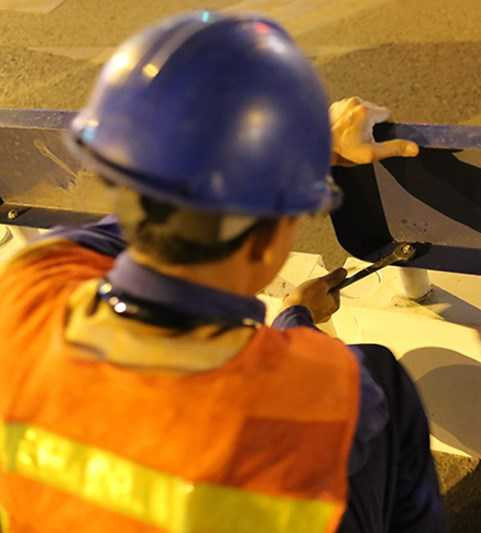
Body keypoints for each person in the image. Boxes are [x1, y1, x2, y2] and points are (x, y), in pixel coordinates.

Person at [0, 11, 444, 533]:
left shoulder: (27, 280)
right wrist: (295, 317)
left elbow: (141, 217)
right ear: (268, 241)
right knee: (382, 379)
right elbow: (299, 383)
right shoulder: (321, 390)